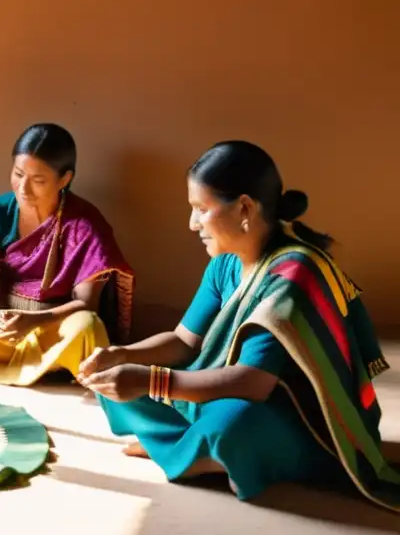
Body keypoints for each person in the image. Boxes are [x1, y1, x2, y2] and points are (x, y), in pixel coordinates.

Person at [78, 140, 399, 509]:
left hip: (296, 418)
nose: (192, 223)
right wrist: (120, 354)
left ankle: (190, 446)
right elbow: (184, 341)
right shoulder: (225, 264)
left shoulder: (293, 276)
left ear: (245, 207)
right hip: (228, 391)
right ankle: (192, 451)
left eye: (201, 209)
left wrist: (149, 380)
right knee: (114, 382)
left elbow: (253, 382)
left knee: (230, 427)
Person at [0, 123, 134, 386]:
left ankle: (16, 364)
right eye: (18, 174)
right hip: (1, 327)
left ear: (65, 179)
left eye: (38, 180)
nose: (23, 188)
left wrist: (34, 321)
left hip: (52, 329)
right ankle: (36, 366)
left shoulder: (86, 223)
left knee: (87, 326)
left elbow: (86, 303)